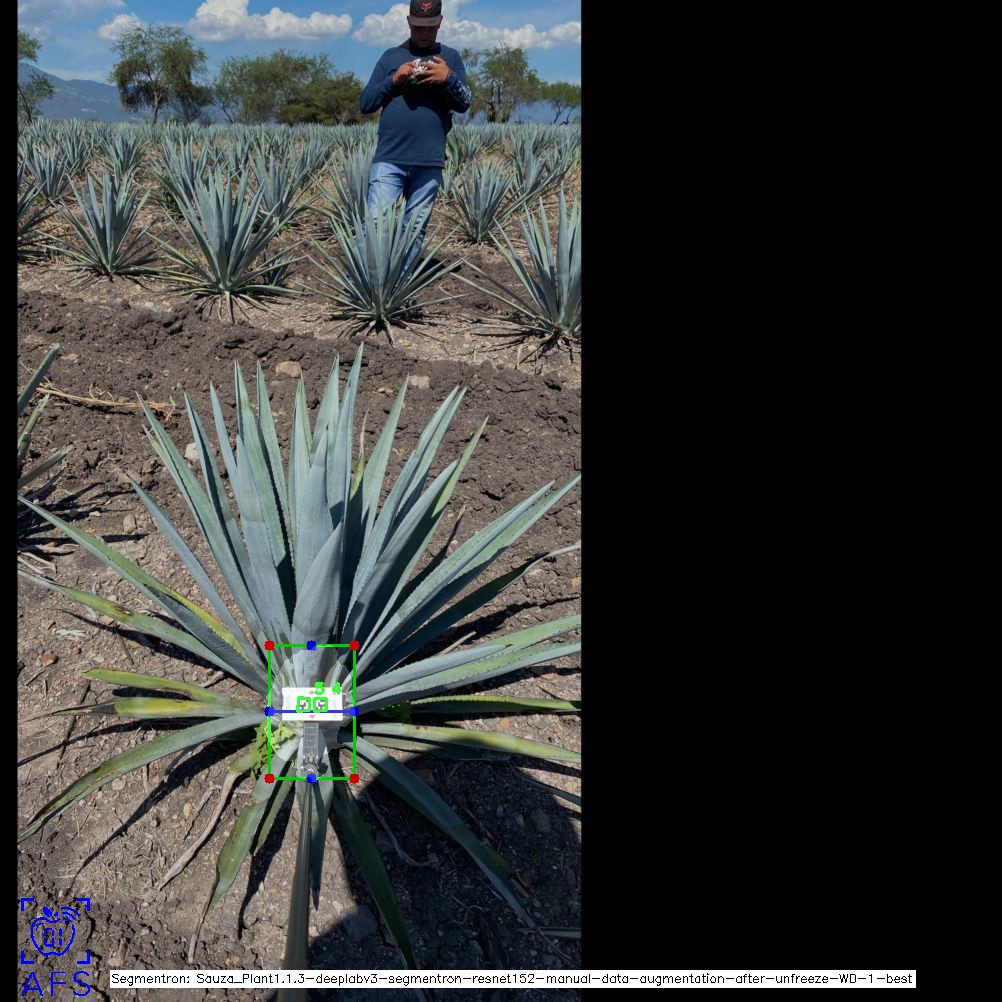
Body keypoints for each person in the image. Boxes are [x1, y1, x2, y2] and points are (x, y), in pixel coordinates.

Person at [359, 0, 472, 266]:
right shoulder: (390, 57)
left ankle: (402, 282)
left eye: (430, 27)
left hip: (429, 161)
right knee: (375, 225)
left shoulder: (451, 58)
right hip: (389, 159)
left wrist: (448, 78)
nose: (424, 33)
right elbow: (366, 103)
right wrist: (394, 79)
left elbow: (465, 102)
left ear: (440, 23)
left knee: (414, 230)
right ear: (409, 22)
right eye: (419, 27)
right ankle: (367, 279)